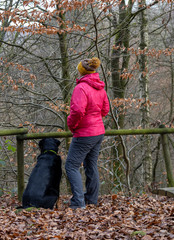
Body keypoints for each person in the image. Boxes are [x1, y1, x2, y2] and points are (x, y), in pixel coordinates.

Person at [65, 57, 109, 209]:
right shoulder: (100, 87)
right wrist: (95, 119)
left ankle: (78, 202)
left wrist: (72, 125)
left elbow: (77, 111)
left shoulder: (81, 88)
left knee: (71, 166)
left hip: (85, 133)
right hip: (98, 132)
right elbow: (105, 110)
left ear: (81, 71)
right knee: (91, 164)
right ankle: (91, 199)